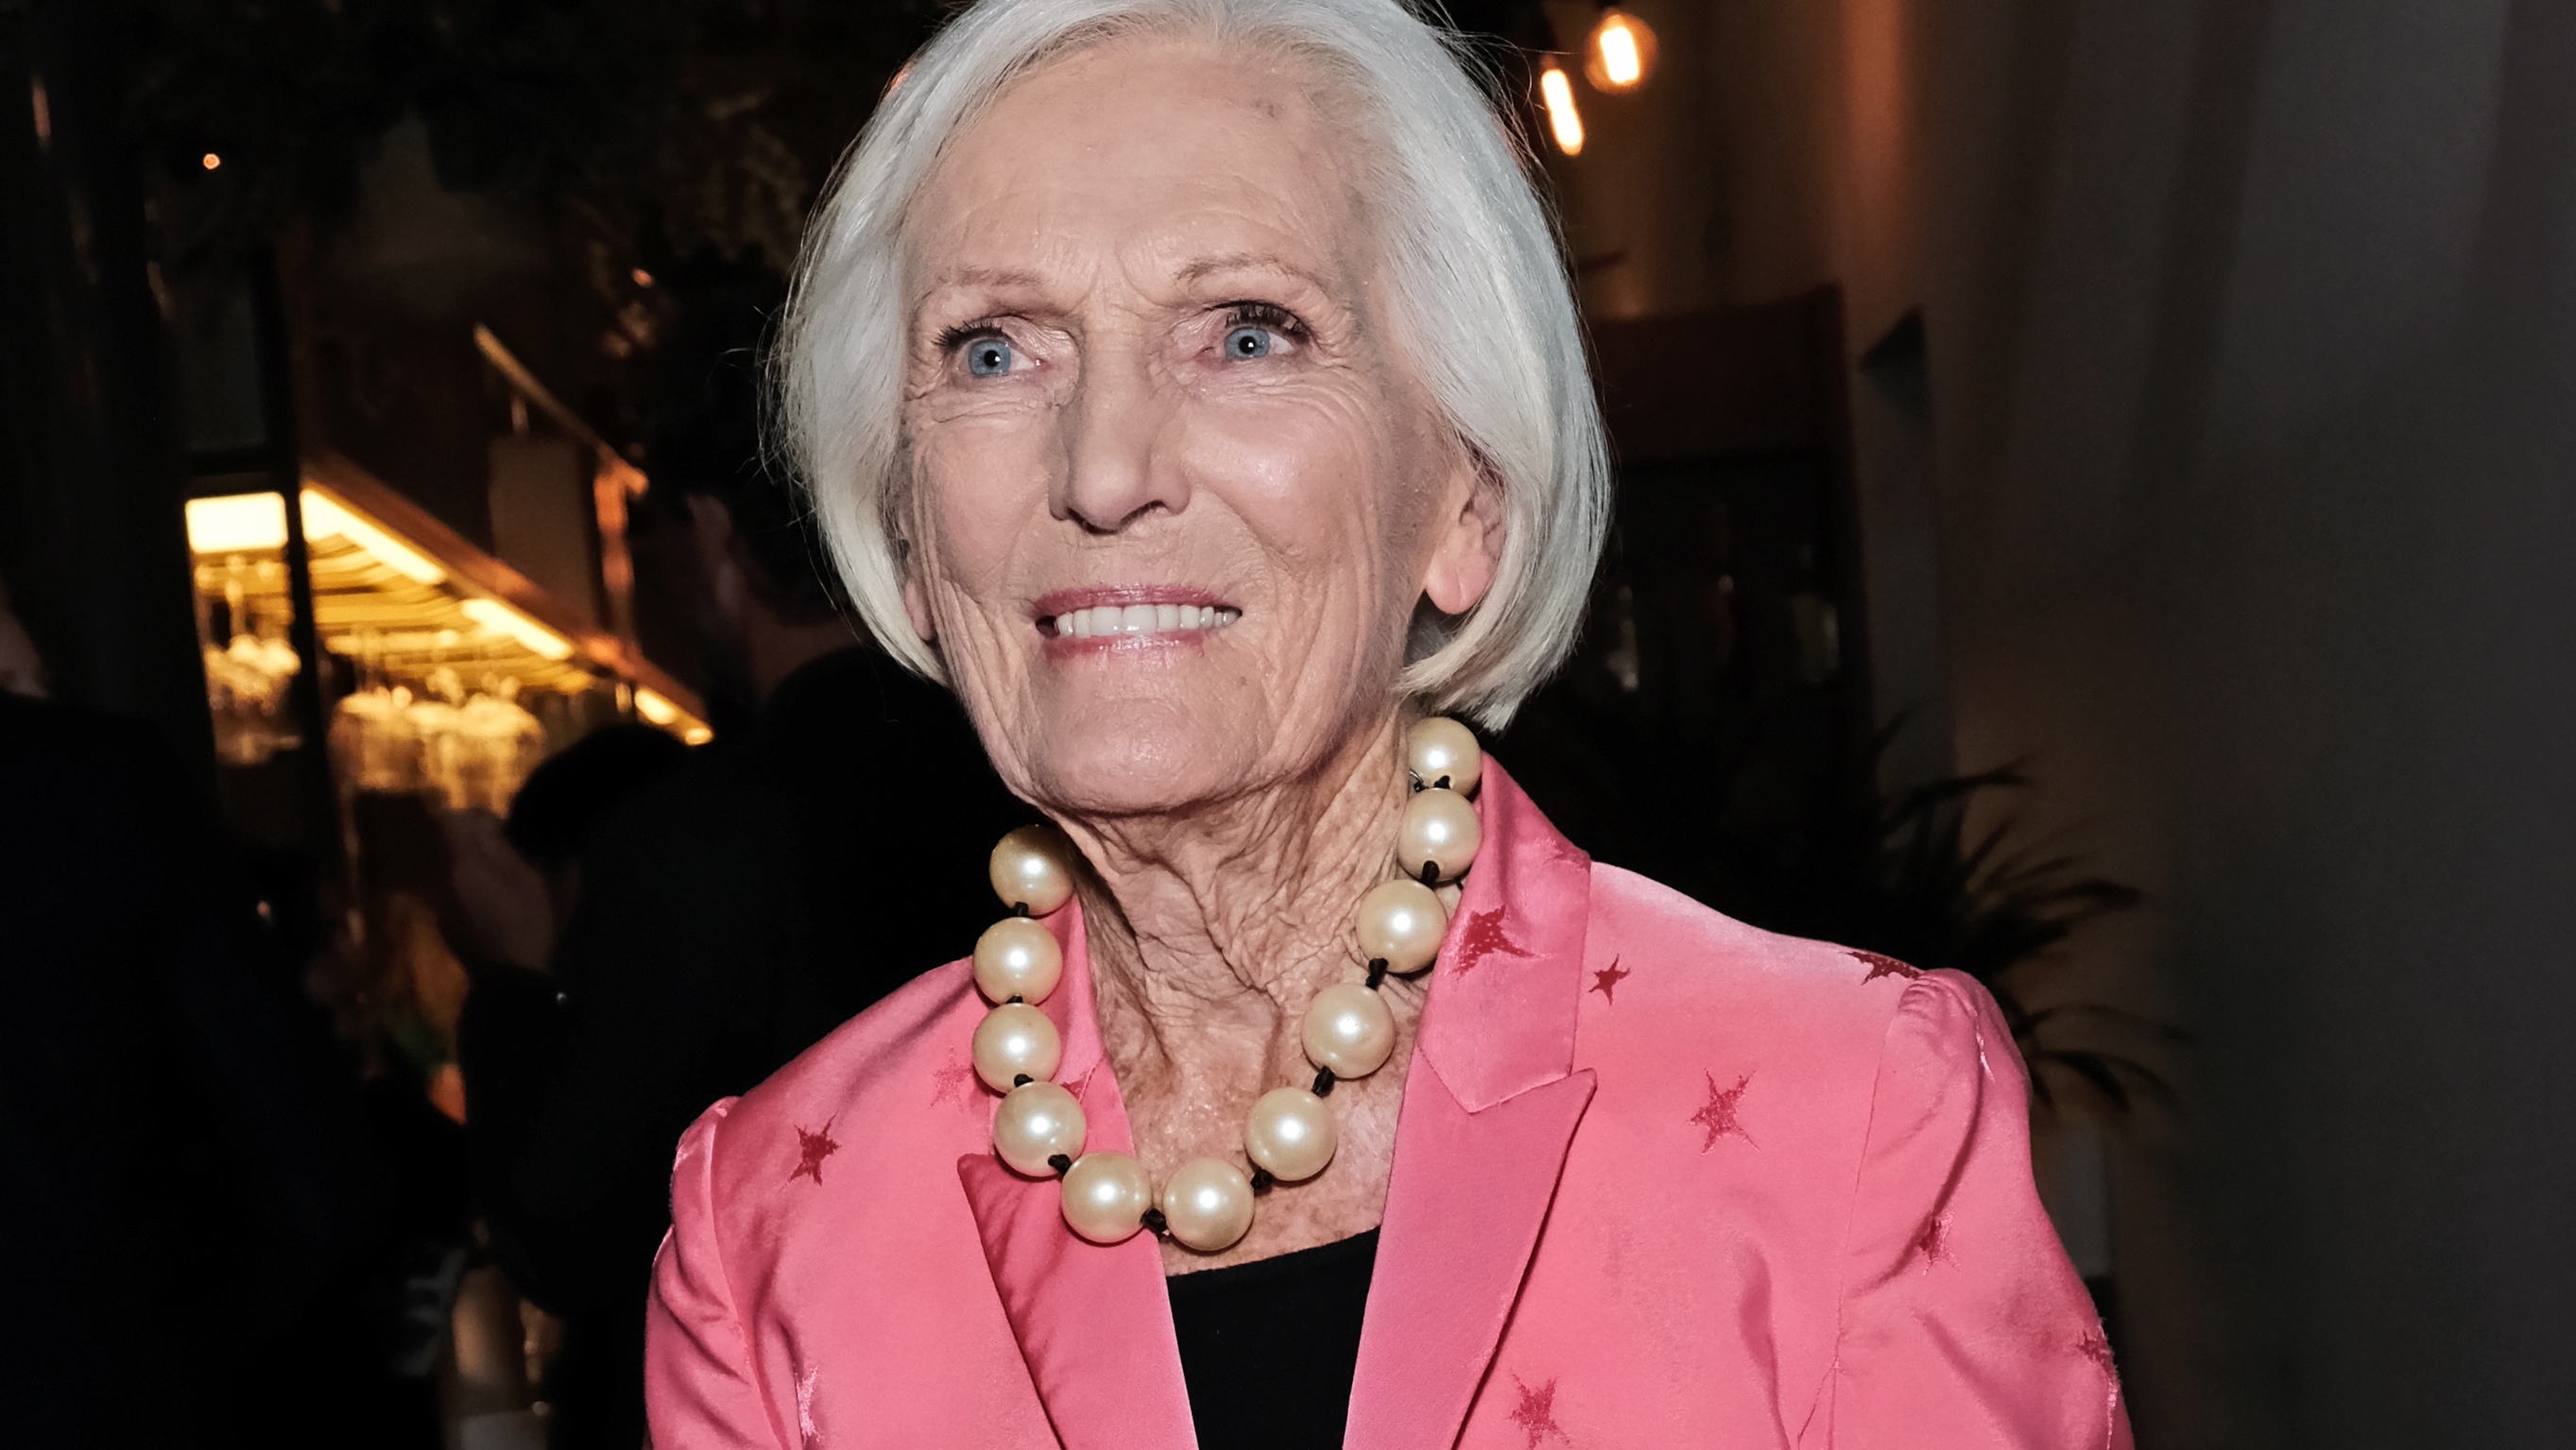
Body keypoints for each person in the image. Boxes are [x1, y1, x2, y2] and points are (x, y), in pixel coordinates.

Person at [644, 1, 2131, 1446]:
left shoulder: (1850, 1110)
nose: (1100, 470)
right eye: (992, 351)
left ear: (1463, 498)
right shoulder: (769, 1237)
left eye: (1248, 334)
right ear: (908, 532)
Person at [448, 273, 1028, 1448]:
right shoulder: (1034, 772)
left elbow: (564, 1230)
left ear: (712, 537)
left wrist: (511, 978)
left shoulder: (695, 837)